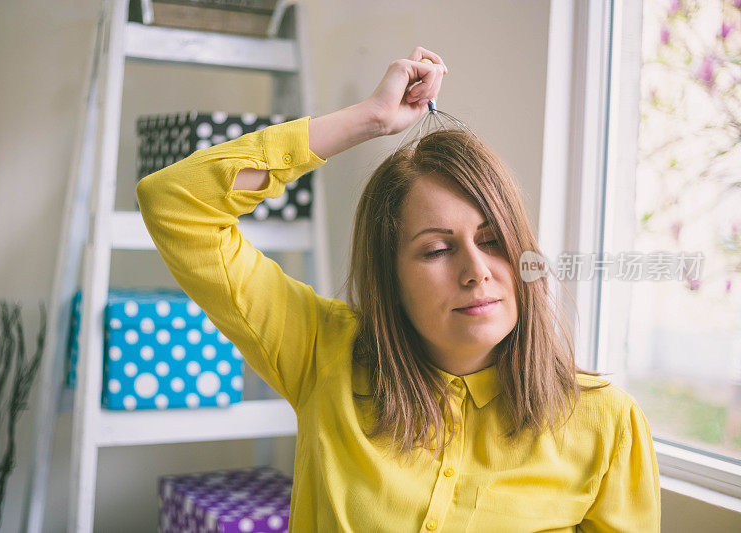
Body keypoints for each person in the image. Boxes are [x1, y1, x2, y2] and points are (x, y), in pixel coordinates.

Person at [136, 46, 661, 532]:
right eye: (437, 250)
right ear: (390, 277)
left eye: (494, 240)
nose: (476, 270)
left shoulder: (607, 425)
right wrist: (368, 120)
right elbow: (173, 203)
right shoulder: (324, 353)